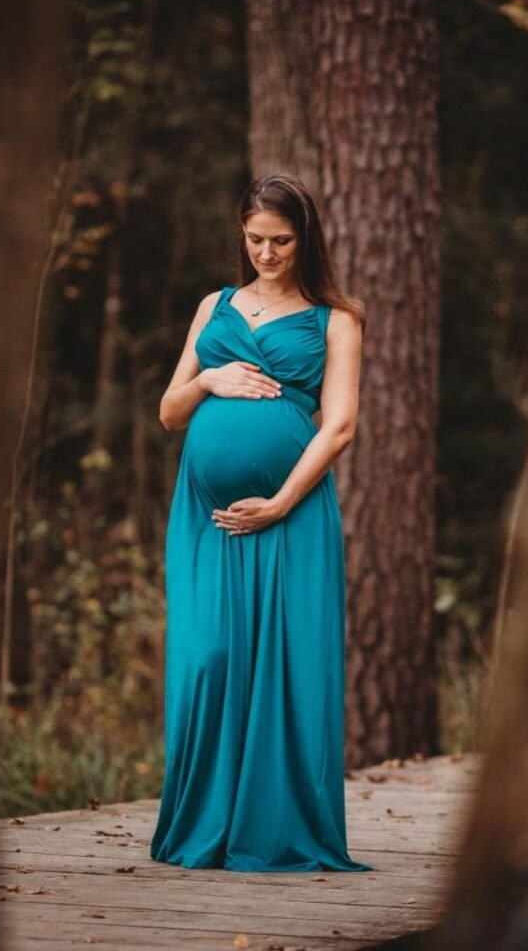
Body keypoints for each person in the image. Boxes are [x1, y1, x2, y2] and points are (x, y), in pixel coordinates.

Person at [149, 172, 372, 872]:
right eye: (254, 240)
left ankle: (274, 831)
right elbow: (168, 411)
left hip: (290, 518)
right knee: (208, 658)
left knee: (287, 669)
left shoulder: (336, 319)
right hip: (205, 518)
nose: (266, 254)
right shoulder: (214, 306)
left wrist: (281, 502)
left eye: (279, 241)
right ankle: (203, 825)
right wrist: (208, 380)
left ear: (304, 239)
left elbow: (338, 427)